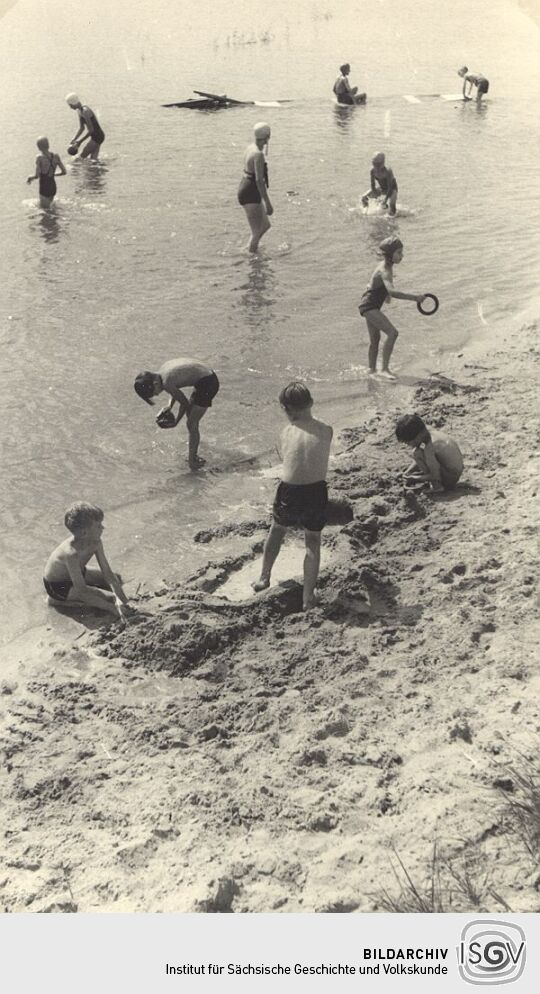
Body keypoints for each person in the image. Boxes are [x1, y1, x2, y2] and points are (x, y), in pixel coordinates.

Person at [252, 382, 333, 611]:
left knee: (277, 530)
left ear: (286, 409)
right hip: (316, 490)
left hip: (290, 489)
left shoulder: (287, 431)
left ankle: (263, 578)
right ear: (312, 403)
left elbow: (288, 456)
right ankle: (308, 597)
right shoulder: (327, 429)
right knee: (313, 542)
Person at [43, 502, 133, 619]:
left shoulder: (96, 542)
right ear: (85, 533)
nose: (103, 528)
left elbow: (108, 574)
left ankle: (76, 593)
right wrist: (113, 608)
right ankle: (55, 600)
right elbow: (82, 592)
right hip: (58, 586)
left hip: (77, 572)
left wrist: (124, 601)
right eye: (98, 526)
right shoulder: (70, 553)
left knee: (117, 578)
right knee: (108, 598)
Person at [359, 236, 427, 380]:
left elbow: (372, 285)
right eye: (399, 253)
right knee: (392, 333)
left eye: (401, 252)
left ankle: (371, 371)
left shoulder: (386, 267)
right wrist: (415, 298)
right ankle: (384, 369)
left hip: (369, 304)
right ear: (390, 255)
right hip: (369, 306)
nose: (402, 256)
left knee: (375, 340)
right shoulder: (385, 270)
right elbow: (393, 292)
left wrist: (384, 296)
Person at [134, 358, 219, 470]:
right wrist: (169, 406)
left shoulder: (166, 382)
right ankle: (194, 451)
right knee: (191, 417)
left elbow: (184, 403)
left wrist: (176, 422)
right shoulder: (162, 371)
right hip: (206, 375)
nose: (157, 395)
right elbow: (174, 389)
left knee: (191, 423)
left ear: (155, 383)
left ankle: (192, 461)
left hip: (208, 383)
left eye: (154, 393)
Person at [395, 415, 464, 492]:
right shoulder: (428, 432)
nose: (408, 445)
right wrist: (408, 472)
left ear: (418, 437)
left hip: (451, 478)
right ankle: (435, 480)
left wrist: (415, 479)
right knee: (419, 453)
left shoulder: (429, 448)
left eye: (408, 442)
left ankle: (437, 487)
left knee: (417, 453)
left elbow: (435, 475)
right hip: (455, 470)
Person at [238, 122, 273, 253]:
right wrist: (267, 203)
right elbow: (259, 180)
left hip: (246, 186)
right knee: (257, 230)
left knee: (265, 225)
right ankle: (252, 258)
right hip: (251, 191)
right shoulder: (258, 154)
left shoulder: (250, 148)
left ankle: (251, 248)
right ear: (267, 136)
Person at [26, 137, 66, 208]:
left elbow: (37, 175)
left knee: (45, 212)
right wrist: (54, 174)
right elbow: (64, 172)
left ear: (39, 147)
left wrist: (30, 178)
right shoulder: (56, 156)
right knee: (50, 209)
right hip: (53, 187)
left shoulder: (39, 158)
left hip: (44, 187)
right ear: (48, 145)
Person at [65, 93, 105, 159]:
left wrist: (79, 142)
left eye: (70, 105)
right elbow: (81, 128)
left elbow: (91, 130)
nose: (70, 107)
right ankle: (98, 168)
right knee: (93, 159)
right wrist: (74, 139)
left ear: (74, 103)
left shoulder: (85, 111)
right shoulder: (79, 111)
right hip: (96, 136)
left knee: (81, 157)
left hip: (97, 136)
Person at [361, 152, 398, 216]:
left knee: (392, 205)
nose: (376, 166)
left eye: (378, 164)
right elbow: (372, 184)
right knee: (363, 198)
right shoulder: (372, 171)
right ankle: (365, 213)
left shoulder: (388, 171)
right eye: (374, 164)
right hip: (382, 188)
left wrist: (385, 200)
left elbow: (390, 187)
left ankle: (393, 217)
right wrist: (375, 193)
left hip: (392, 189)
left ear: (383, 163)